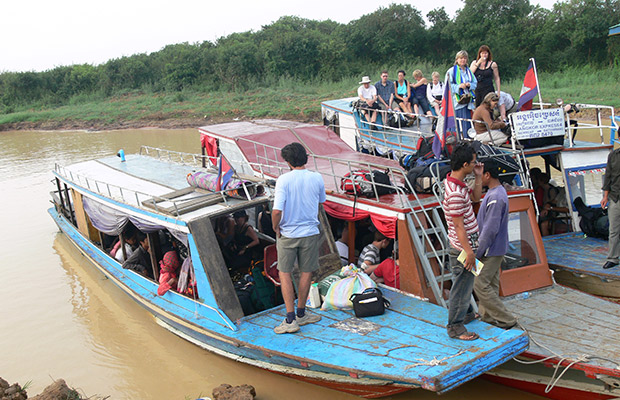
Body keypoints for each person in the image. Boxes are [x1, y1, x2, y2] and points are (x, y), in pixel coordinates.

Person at [272, 142, 326, 333]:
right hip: (310, 232)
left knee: (284, 272)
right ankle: (302, 313)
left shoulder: (283, 180)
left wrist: (275, 227)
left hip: (288, 233)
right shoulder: (317, 177)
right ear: (305, 157)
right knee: (306, 272)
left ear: (287, 161)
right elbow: (321, 201)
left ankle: (290, 319)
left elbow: (277, 210)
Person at [443, 142, 483, 341]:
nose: (475, 165)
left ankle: (466, 314)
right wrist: (469, 252)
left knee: (465, 282)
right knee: (462, 286)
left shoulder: (453, 183)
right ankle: (455, 327)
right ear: (465, 164)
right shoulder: (456, 194)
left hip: (464, 244)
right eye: (473, 163)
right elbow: (459, 226)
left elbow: (476, 198)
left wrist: (477, 176)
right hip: (463, 247)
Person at [474, 159, 517, 329]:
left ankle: (507, 319)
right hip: (495, 248)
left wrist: (478, 251)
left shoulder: (495, 197)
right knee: (490, 284)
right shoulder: (497, 193)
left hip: (491, 250)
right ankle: (487, 318)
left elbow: (490, 229)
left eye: (481, 174)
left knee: (480, 284)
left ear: (487, 175)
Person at [446, 50, 477, 137]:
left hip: (467, 101)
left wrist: (469, 85)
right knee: (456, 123)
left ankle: (466, 139)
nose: (463, 60)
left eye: (464, 58)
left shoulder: (469, 71)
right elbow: (447, 86)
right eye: (461, 58)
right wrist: (459, 86)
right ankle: (455, 139)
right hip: (456, 102)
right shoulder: (451, 71)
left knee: (466, 123)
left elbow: (475, 83)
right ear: (457, 59)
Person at [602, 147, 620, 269]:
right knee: (613, 230)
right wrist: (605, 197)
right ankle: (613, 258)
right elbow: (608, 176)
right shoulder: (613, 155)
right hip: (615, 197)